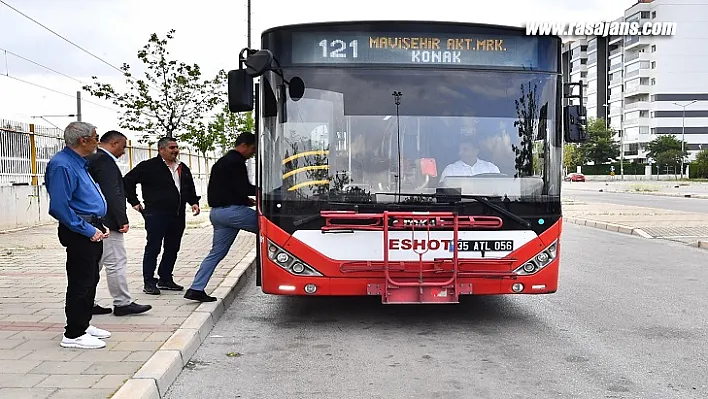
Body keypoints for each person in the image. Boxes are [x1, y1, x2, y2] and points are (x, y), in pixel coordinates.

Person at [45, 121, 112, 349]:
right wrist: (88, 229)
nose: (97, 140)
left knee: (91, 278)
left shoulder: (79, 163)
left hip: (92, 228)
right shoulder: (62, 166)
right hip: (80, 232)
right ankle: (73, 334)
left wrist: (99, 225)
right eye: (96, 136)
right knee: (80, 282)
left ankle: (83, 323)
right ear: (83, 140)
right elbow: (59, 207)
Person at [184, 132, 257, 302]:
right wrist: (267, 190)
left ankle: (196, 288)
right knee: (273, 229)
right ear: (244, 145)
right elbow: (244, 188)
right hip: (233, 213)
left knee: (216, 253)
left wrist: (246, 201)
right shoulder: (236, 162)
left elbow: (226, 189)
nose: (253, 153)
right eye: (253, 149)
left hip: (217, 213)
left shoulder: (221, 162)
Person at [86, 130, 153, 316]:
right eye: (123, 147)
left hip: (94, 220)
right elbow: (112, 192)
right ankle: (122, 303)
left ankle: (86, 301)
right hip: (107, 221)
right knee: (115, 261)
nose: (124, 152)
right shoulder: (104, 161)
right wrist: (121, 219)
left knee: (96, 262)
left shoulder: (93, 159)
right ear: (114, 143)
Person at [123, 136, 201, 295]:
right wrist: (134, 201)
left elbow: (188, 187)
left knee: (172, 247)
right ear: (161, 150)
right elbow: (127, 181)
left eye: (176, 147)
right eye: (171, 148)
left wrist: (193, 202)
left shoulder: (182, 167)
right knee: (153, 247)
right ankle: (149, 282)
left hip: (177, 214)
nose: (175, 151)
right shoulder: (149, 166)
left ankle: (165, 278)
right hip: (156, 214)